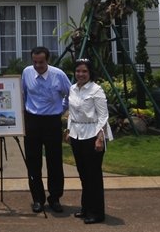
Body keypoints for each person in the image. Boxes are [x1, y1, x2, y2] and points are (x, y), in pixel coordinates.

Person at [21, 46, 71, 213]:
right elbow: (23, 93)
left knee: (54, 161)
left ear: (47, 60)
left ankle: (55, 198)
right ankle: (37, 198)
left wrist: (62, 108)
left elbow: (70, 93)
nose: (37, 66)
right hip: (32, 121)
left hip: (52, 121)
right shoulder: (27, 72)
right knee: (33, 162)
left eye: (41, 62)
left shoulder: (58, 75)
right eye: (35, 62)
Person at [65, 58, 113, 224]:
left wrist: (100, 138)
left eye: (84, 71)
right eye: (78, 71)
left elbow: (103, 116)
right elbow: (71, 112)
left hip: (92, 135)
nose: (81, 74)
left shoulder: (96, 90)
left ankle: (97, 212)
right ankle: (86, 208)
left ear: (90, 73)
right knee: (83, 175)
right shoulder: (72, 88)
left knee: (93, 176)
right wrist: (69, 130)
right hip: (77, 135)